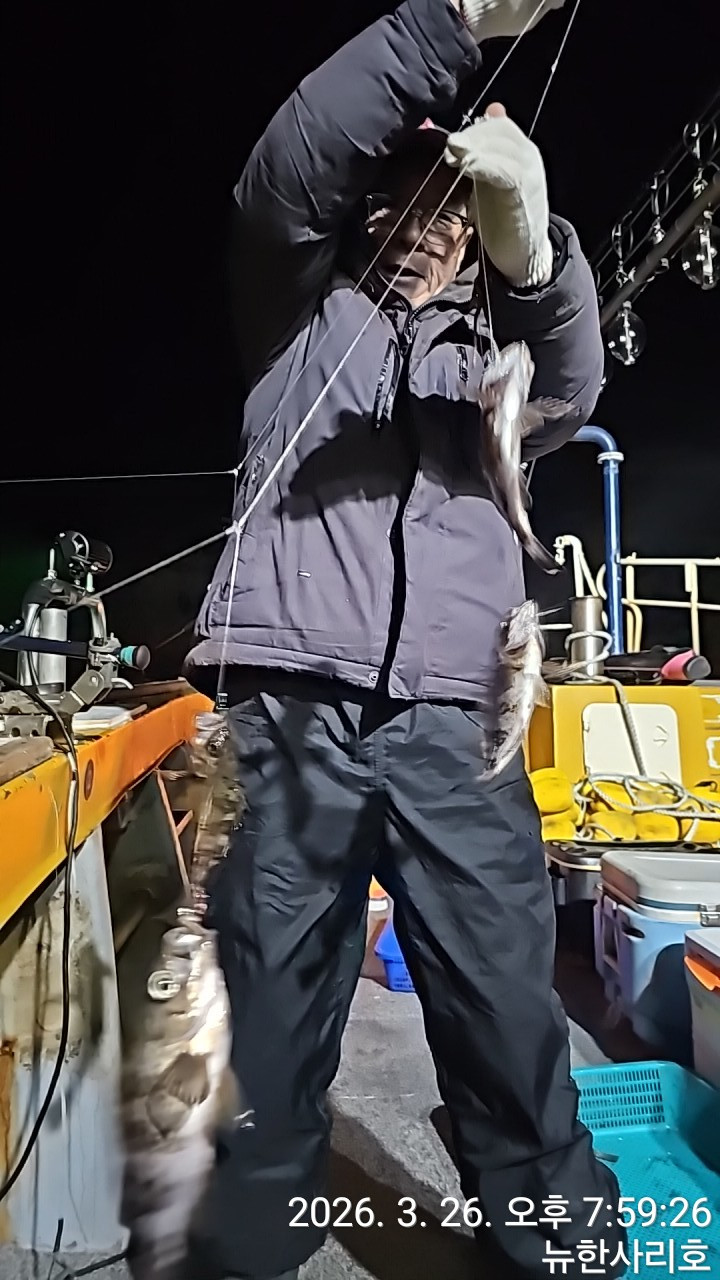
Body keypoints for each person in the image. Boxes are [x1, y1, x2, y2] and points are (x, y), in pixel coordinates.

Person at [185, 1, 627, 1276]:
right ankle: (241, 1252)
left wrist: (540, 255)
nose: (436, 219)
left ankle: (564, 1248)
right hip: (287, 714)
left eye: (462, 205)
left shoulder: (497, 368)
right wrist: (452, 21)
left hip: (459, 726)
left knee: (509, 1019)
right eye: (412, 193)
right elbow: (286, 170)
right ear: (369, 210)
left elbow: (574, 376)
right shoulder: (296, 317)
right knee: (264, 1029)